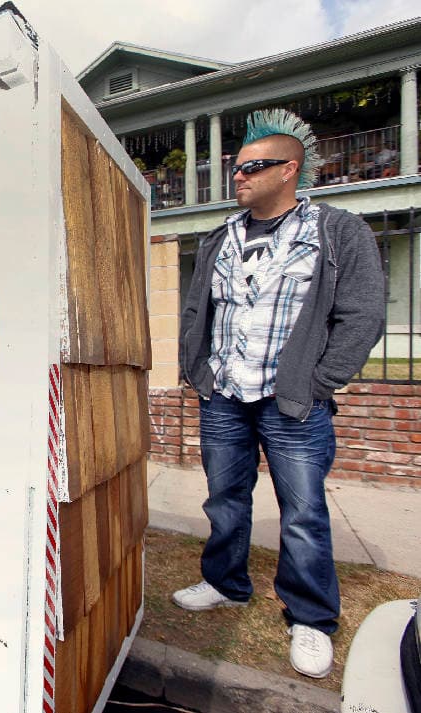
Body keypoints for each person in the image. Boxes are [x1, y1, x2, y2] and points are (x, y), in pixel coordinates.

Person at [176, 109, 385, 679]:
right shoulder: (221, 237)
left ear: (288, 170)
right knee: (224, 500)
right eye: (236, 169)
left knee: (303, 513)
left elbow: (362, 314)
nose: (238, 177)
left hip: (291, 400)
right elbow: (199, 309)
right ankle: (225, 583)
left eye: (252, 167)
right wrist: (197, 372)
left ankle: (312, 617)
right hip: (224, 396)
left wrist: (320, 381)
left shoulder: (335, 231)